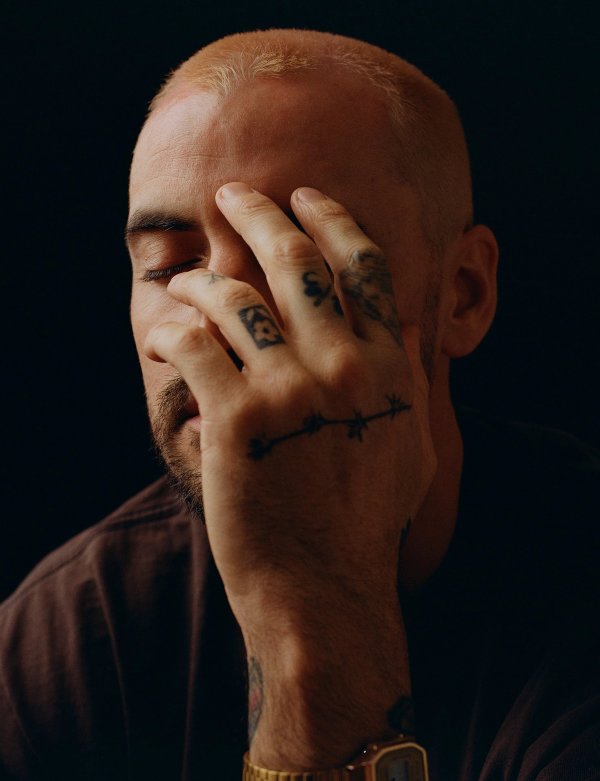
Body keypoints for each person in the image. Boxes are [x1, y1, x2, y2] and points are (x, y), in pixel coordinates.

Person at [1, 28, 598, 781]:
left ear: (464, 294)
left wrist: (309, 602)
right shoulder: (71, 643)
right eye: (168, 266)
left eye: (296, 250)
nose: (215, 317)